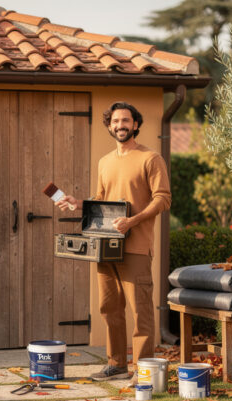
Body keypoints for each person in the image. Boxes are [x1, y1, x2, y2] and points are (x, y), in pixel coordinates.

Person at [57, 101, 171, 381]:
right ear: (109, 126)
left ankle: (143, 371)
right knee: (109, 308)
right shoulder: (105, 162)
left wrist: (132, 221)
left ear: (136, 124)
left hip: (136, 247)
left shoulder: (150, 158)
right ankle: (117, 363)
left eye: (126, 121)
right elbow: (101, 200)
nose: (121, 125)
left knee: (140, 310)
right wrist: (78, 203)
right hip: (105, 246)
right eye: (116, 121)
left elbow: (163, 198)